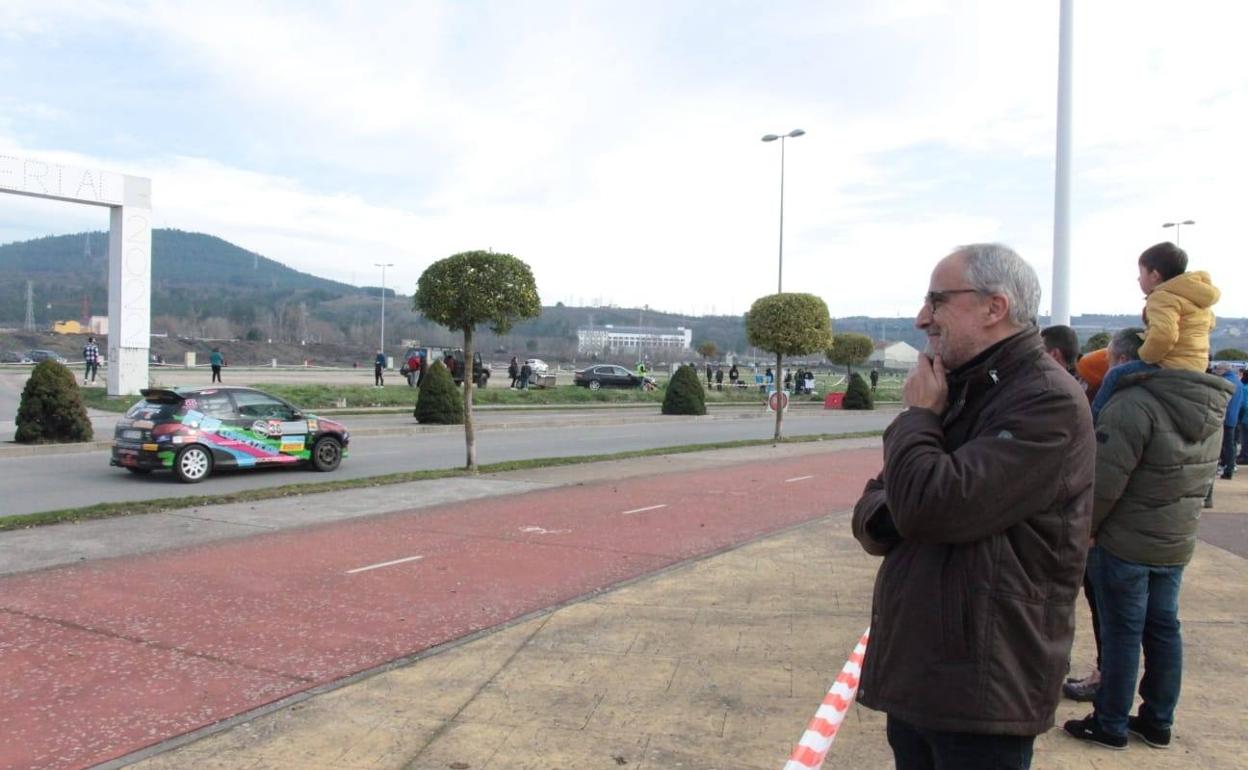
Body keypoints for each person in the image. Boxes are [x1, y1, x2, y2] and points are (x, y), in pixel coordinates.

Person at [852, 243, 1094, 770]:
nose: (922, 319)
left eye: (937, 301)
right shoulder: (958, 389)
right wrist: (904, 502)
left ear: (994, 307)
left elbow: (931, 506)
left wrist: (918, 422)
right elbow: (875, 510)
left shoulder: (1044, 400)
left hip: (984, 679)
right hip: (926, 671)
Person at [1062, 328, 1233, 750]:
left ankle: (1111, 722)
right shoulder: (1209, 407)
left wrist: (1087, 528)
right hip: (1174, 539)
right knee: (1163, 630)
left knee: (1122, 633)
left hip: (1125, 541)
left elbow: (1104, 482)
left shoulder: (1132, 405)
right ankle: (1157, 720)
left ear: (1123, 362)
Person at [1090, 242, 1219, 421]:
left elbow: (1164, 336)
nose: (1138, 279)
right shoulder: (1197, 300)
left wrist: (1144, 355)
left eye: (1141, 273)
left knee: (1115, 374)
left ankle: (1094, 418)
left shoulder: (1161, 297)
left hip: (1170, 364)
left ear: (1155, 275)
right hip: (1196, 365)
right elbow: (1210, 324)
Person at [1213, 362, 1243, 480]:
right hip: (1233, 417)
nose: (1216, 372)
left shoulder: (1224, 382)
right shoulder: (1238, 382)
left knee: (1223, 444)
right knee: (1230, 444)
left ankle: (1226, 467)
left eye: (1217, 369)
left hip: (1224, 417)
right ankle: (1230, 467)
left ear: (1223, 370)